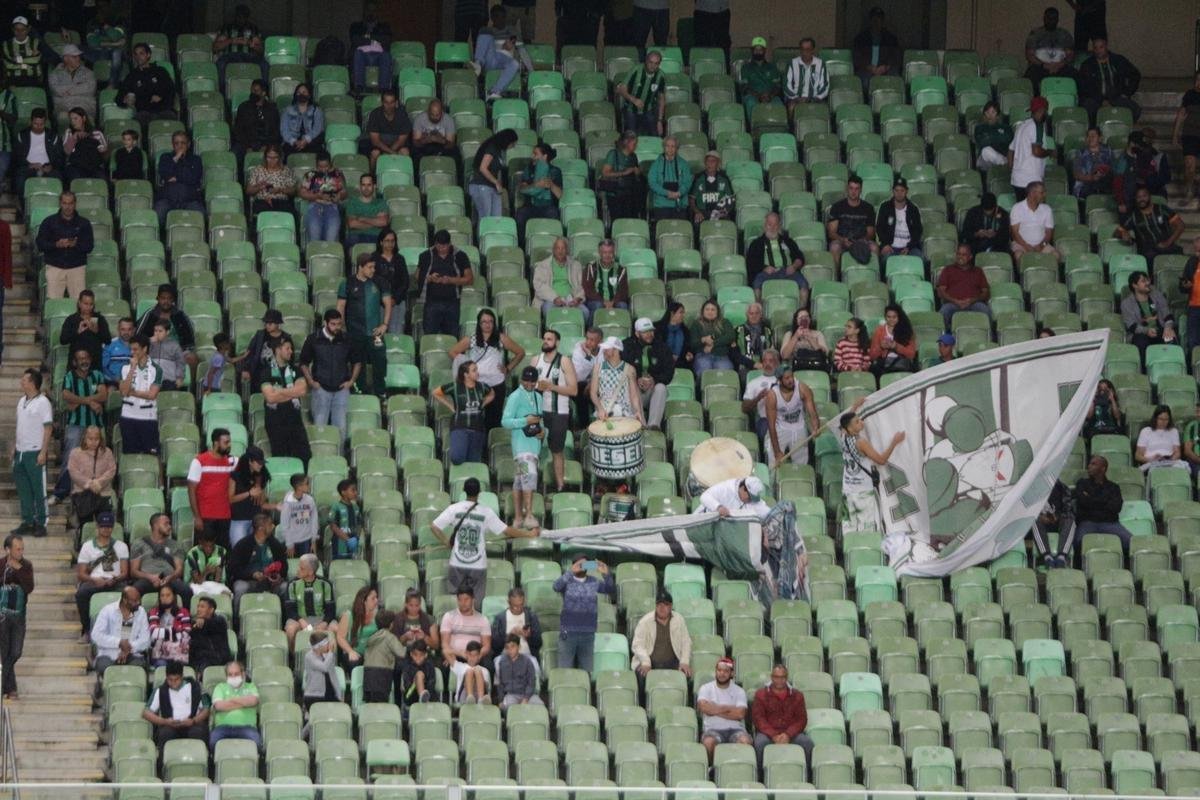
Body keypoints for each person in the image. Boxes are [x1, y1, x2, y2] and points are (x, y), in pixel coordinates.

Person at [432, 477, 537, 598]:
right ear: (479, 492)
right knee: (475, 602)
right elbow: (507, 532)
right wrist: (528, 534)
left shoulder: (454, 509)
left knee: (454, 600)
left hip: (457, 563)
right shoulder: (486, 512)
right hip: (477, 565)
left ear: (464, 490)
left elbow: (434, 526)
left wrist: (446, 542)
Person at [449, 308, 526, 431]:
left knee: (494, 420)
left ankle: (491, 445)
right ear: (479, 324)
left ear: (494, 323)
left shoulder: (501, 338)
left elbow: (520, 352)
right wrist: (467, 368)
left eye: (490, 321)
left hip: (496, 384)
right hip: (477, 384)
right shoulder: (472, 339)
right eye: (484, 321)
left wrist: (508, 368)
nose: (487, 324)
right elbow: (453, 351)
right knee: (476, 418)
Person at [839, 402, 905, 535]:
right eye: (857, 422)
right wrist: (894, 442)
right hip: (863, 492)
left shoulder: (843, 436)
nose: (861, 422)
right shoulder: (861, 442)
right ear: (851, 429)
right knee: (867, 529)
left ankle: (850, 553)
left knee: (849, 528)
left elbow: (845, 423)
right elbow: (881, 460)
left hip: (847, 491)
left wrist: (854, 407)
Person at [54, 346, 108, 504]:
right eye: (80, 358)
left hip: (95, 425)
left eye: (86, 358)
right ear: (74, 361)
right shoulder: (70, 376)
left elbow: (104, 395)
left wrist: (79, 401)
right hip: (76, 424)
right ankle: (61, 492)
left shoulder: (97, 375)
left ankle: (92, 493)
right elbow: (66, 395)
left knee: (97, 459)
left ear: (90, 360)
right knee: (70, 457)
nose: (84, 361)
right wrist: (91, 402)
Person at [300, 309, 359, 449]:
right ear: (325, 323)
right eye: (333, 324)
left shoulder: (346, 339)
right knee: (320, 428)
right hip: (321, 389)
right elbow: (303, 363)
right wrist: (311, 382)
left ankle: (339, 460)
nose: (337, 327)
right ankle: (319, 460)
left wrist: (351, 381)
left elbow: (357, 362)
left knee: (341, 430)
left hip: (341, 390)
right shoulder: (313, 339)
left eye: (339, 324)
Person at [337, 252, 391, 398]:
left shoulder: (380, 282)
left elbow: (387, 303)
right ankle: (360, 392)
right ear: (360, 267)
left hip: (375, 333)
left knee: (380, 361)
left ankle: (380, 393)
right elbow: (341, 306)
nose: (373, 270)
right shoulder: (347, 283)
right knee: (357, 363)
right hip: (355, 332)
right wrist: (340, 327)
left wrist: (385, 324)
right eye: (370, 267)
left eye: (374, 267)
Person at [532, 329, 579, 492]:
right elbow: (526, 385)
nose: (545, 341)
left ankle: (560, 485)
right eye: (544, 338)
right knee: (532, 447)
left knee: (557, 449)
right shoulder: (535, 360)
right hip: (537, 411)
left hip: (559, 411)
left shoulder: (564, 361)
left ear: (557, 343)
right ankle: (534, 483)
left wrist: (551, 387)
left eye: (549, 339)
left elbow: (574, 390)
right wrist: (537, 386)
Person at [553, 555, 614, 671]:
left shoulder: (594, 581)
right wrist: (570, 572)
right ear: (573, 565)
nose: (582, 567)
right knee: (564, 670)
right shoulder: (567, 580)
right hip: (568, 632)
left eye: (585, 564)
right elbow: (556, 587)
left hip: (588, 633)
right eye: (579, 564)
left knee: (586, 672)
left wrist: (606, 574)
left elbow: (610, 590)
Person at [503, 367, 545, 528]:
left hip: (534, 446)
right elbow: (505, 421)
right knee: (529, 475)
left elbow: (540, 421)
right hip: (521, 445)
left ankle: (518, 518)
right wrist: (524, 421)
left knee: (520, 481)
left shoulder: (538, 397)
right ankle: (528, 515)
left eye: (532, 382)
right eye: (526, 381)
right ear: (521, 380)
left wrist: (543, 432)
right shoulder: (515, 396)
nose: (529, 384)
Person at [261, 337, 312, 466]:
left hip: (295, 421)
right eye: (287, 348)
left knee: (304, 457)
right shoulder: (266, 372)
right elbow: (270, 398)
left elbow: (301, 391)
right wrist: (291, 392)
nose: (291, 351)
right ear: (278, 350)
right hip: (275, 423)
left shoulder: (296, 370)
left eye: (291, 349)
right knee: (281, 460)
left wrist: (279, 391)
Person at [12, 368, 51, 538]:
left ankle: (42, 522)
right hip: (20, 451)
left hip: (35, 451)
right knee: (24, 489)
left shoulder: (43, 402)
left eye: (25, 380)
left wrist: (44, 451)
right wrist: (15, 445)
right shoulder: (21, 401)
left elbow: (48, 427)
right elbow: (20, 425)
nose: (22, 382)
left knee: (38, 489)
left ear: (33, 383)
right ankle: (27, 520)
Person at [75, 511, 126, 638]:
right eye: (103, 526)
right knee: (81, 594)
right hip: (94, 581)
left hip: (115, 581)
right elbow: (81, 574)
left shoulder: (121, 546)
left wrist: (115, 579)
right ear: (97, 527)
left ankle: (125, 630)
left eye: (108, 526)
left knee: (131, 594)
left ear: (112, 527)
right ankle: (86, 630)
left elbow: (125, 572)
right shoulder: (87, 546)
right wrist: (95, 580)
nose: (106, 529)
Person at [415, 229, 475, 337]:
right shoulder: (425, 256)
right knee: (430, 336)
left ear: (450, 244)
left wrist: (450, 280)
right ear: (435, 244)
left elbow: (469, 279)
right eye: (438, 246)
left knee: (452, 337)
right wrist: (429, 278)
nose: (441, 249)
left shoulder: (460, 256)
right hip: (431, 302)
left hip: (452, 303)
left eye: (444, 246)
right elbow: (417, 276)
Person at [434, 361, 495, 466]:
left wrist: (483, 403)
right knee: (457, 457)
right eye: (474, 370)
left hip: (478, 428)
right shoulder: (455, 386)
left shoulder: (482, 386)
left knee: (474, 462)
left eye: (477, 369)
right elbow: (436, 393)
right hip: (460, 426)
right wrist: (450, 406)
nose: (477, 373)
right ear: (466, 374)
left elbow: (492, 393)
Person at [36, 190, 93, 301]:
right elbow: (40, 244)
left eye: (70, 203)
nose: (67, 207)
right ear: (60, 203)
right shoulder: (49, 222)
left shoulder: (84, 223)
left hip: (77, 267)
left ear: (75, 204)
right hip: (55, 266)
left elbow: (89, 246)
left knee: (79, 303)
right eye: (65, 203)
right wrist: (56, 244)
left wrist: (76, 244)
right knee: (54, 302)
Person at [752, 663, 814, 766]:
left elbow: (801, 719)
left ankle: (807, 775)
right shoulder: (761, 695)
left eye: (782, 677)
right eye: (776, 677)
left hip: (791, 733)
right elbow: (758, 719)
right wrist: (773, 735)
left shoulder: (797, 695)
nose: (779, 680)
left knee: (807, 743)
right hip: (767, 733)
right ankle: (761, 776)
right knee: (760, 743)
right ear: (772, 677)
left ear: (786, 677)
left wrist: (788, 734)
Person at [187, 429, 237, 550]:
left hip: (225, 516)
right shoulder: (199, 461)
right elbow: (191, 490)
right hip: (205, 516)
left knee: (222, 552)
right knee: (204, 551)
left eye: (229, 442)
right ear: (216, 443)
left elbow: (252, 465)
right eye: (226, 442)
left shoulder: (231, 461)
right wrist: (197, 517)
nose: (229, 445)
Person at [142, 660, 209, 749]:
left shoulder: (195, 687)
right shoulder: (160, 690)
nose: (173, 683)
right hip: (170, 726)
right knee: (165, 734)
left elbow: (206, 709)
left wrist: (194, 720)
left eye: (176, 679)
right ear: (166, 677)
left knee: (198, 733)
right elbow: (146, 713)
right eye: (170, 680)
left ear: (182, 677)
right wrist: (164, 721)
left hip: (192, 724)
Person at [623, 317, 674, 431]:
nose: (649, 334)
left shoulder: (662, 347)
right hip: (633, 392)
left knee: (661, 387)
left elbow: (669, 373)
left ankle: (653, 426)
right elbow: (620, 370)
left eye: (651, 331)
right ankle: (641, 425)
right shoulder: (626, 346)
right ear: (637, 333)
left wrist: (653, 380)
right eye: (645, 332)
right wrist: (636, 380)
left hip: (652, 391)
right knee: (633, 388)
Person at [698, 657, 753, 761]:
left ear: (731, 673)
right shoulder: (706, 688)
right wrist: (729, 709)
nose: (722, 674)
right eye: (719, 670)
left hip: (736, 729)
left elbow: (740, 714)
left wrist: (715, 708)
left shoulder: (739, 691)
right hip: (712, 729)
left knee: (745, 741)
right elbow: (704, 707)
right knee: (709, 743)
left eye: (725, 671)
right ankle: (712, 771)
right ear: (715, 671)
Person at [229, 512, 286, 611]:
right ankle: (237, 621)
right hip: (248, 580)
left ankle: (283, 620)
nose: (273, 526)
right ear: (261, 529)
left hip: (270, 581)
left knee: (285, 587)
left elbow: (284, 565)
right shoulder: (243, 544)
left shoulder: (275, 544)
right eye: (269, 524)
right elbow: (234, 568)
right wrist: (252, 574)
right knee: (240, 588)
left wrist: (278, 576)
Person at [1074, 456, 1133, 550]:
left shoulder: (1113, 487)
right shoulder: (1082, 483)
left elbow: (1116, 507)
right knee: (1079, 541)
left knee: (1131, 542)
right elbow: (1083, 502)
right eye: (1089, 463)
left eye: (1093, 464)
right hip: (1088, 522)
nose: (1089, 466)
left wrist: (1091, 499)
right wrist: (1105, 501)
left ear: (1103, 468)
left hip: (1110, 523)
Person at [766, 366, 820, 468]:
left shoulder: (803, 388)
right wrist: (777, 452)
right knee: (774, 464)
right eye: (787, 378)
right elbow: (771, 426)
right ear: (779, 380)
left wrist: (815, 427)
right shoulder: (772, 395)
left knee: (801, 465)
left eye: (791, 376)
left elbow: (812, 412)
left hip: (799, 428)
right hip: (780, 428)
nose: (791, 380)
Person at [631, 589, 693, 678]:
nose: (662, 608)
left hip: (672, 662)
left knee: (686, 673)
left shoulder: (679, 619)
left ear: (671, 606)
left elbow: (686, 642)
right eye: (659, 604)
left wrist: (684, 662)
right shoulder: (645, 622)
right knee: (641, 674)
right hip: (650, 662)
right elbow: (637, 645)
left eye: (665, 605)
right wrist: (646, 662)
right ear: (656, 606)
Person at [1077, 36, 1139, 124]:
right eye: (1095, 48)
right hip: (1095, 99)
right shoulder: (1087, 65)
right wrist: (1101, 100)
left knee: (1134, 109)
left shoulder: (1118, 60)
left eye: (1101, 47)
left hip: (1116, 97)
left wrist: (1127, 92)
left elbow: (1135, 74)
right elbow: (1084, 86)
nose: (1098, 50)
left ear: (1106, 47)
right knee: (1087, 107)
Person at [1120, 270, 1177, 363]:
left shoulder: (1157, 295)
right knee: (1141, 342)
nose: (1147, 283)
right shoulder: (1126, 304)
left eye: (1147, 280)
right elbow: (1131, 326)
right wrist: (1146, 331)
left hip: (1160, 330)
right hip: (1141, 334)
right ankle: (1144, 372)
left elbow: (1168, 314)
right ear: (1134, 285)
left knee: (1171, 337)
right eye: (1143, 281)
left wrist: (1168, 327)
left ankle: (1172, 368)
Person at [746, 211, 808, 297]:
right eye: (769, 224)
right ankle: (759, 309)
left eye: (775, 225)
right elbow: (751, 262)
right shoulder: (756, 243)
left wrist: (794, 266)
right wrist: (764, 268)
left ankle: (802, 310)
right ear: (764, 226)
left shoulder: (788, 241)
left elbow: (799, 258)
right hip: (767, 274)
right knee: (757, 285)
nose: (772, 228)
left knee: (803, 285)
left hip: (788, 272)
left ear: (779, 226)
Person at [91, 586, 150, 676]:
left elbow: (146, 640)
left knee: (138, 669)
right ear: (125, 600)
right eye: (135, 601)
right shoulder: (108, 610)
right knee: (108, 670)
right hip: (108, 655)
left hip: (132, 654)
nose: (138, 603)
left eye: (139, 600)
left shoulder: (141, 612)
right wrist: (119, 642)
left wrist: (128, 648)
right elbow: (96, 635)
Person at [118, 335, 162, 455]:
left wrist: (132, 392)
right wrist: (132, 368)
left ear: (145, 349)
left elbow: (152, 394)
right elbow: (123, 392)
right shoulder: (125, 368)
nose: (133, 352)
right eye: (131, 349)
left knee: (152, 454)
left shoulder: (156, 369)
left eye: (136, 349)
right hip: (128, 416)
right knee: (130, 454)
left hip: (147, 417)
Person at [130, 513, 188, 602]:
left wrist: (171, 577)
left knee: (186, 590)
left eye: (170, 524)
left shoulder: (176, 545)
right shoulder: (139, 544)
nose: (169, 527)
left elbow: (179, 569)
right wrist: (151, 577)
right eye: (166, 524)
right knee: (134, 591)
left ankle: (185, 615)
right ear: (155, 525)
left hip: (169, 579)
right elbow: (134, 571)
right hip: (147, 579)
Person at [1115, 186, 1184, 259]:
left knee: (1179, 254)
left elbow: (1180, 225)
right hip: (1148, 252)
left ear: (1149, 197)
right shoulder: (1134, 216)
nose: (1141, 199)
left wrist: (1167, 243)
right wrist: (1123, 233)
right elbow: (1118, 231)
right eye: (1138, 197)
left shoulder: (1162, 209)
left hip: (1167, 247)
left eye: (1144, 196)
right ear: (1135, 199)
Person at [67, 425, 116, 527]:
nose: (93, 442)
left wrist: (99, 482)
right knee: (85, 526)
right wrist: (89, 483)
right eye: (90, 439)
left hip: (103, 494)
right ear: (85, 438)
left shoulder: (107, 452)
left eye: (96, 439)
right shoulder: (75, 453)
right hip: (82, 494)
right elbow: (73, 471)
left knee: (104, 525)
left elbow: (111, 470)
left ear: (100, 439)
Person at [117, 42, 176, 127]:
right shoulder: (132, 76)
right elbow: (119, 96)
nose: (138, 57)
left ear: (148, 55)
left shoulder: (160, 71)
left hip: (163, 110)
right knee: (135, 124)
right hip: (144, 113)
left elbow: (171, 90)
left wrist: (161, 98)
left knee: (171, 120)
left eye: (141, 53)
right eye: (136, 54)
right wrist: (124, 100)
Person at [0, 534, 30, 699]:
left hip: (19, 615)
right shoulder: (0, 564)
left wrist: (18, 571)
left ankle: (3, 683)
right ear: (8, 549)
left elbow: (29, 587)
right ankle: (11, 689)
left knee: (16, 651)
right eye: (17, 549)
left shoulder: (26, 566)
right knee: (4, 651)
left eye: (22, 549)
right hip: (2, 613)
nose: (20, 552)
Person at [936, 244, 991, 331]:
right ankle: (946, 339)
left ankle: (989, 338)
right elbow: (941, 291)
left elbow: (985, 292)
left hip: (974, 303)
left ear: (970, 257)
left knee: (985, 310)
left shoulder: (978, 271)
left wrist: (971, 300)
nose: (960, 257)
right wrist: (956, 301)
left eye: (964, 254)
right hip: (953, 303)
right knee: (943, 312)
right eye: (958, 254)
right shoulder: (948, 270)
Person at [826, 175, 878, 268]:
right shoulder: (837, 207)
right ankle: (837, 278)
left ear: (861, 190)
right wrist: (843, 240)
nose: (853, 192)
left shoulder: (868, 208)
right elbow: (831, 232)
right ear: (847, 189)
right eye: (851, 188)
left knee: (874, 247)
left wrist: (862, 240)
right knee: (834, 247)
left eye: (856, 189)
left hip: (861, 242)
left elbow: (871, 233)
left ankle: (872, 278)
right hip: (842, 241)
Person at [209, 661, 262, 750]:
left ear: (243, 674)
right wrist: (244, 703)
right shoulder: (220, 687)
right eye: (230, 674)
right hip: (223, 727)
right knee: (213, 742)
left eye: (236, 674)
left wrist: (232, 700)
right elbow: (219, 706)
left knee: (256, 743)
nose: (233, 677)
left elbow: (253, 701)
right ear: (226, 676)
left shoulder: (251, 686)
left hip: (247, 727)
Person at [592, 335, 644, 425]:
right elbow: (593, 393)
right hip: (604, 412)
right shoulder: (598, 367)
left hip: (624, 413)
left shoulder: (630, 369)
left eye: (607, 349)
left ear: (616, 350)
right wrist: (599, 409)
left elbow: (634, 395)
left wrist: (637, 411)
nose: (604, 351)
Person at [440, 589, 493, 677]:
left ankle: (485, 690)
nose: (463, 603)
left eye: (466, 599)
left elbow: (487, 646)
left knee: (489, 666)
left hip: (476, 655)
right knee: (444, 667)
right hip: (456, 654)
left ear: (473, 600)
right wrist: (457, 653)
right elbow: (445, 644)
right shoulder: (448, 616)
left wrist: (476, 656)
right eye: (460, 600)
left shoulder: (483, 619)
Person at [213, 4, 266, 90]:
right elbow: (216, 47)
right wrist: (231, 41)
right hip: (231, 56)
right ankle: (222, 91)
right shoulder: (227, 28)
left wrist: (250, 43)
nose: (240, 19)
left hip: (249, 56)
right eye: (239, 16)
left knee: (264, 64)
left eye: (243, 17)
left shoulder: (253, 29)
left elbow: (260, 50)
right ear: (235, 16)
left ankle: (264, 91)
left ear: (247, 17)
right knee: (220, 63)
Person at [469, 129, 518, 222]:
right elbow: (483, 168)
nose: (512, 146)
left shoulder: (499, 151)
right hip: (481, 185)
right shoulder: (491, 147)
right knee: (485, 219)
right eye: (512, 144)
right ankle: (482, 236)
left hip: (492, 187)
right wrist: (496, 182)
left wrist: (497, 184)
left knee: (496, 219)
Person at [227, 446, 271, 548]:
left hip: (256, 520)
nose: (261, 465)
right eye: (258, 462)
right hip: (239, 519)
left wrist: (261, 492)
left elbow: (261, 501)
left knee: (256, 551)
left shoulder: (261, 476)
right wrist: (249, 493)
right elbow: (230, 499)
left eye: (262, 463)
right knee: (239, 549)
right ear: (250, 461)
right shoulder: (235, 476)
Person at [14, 108, 65, 196]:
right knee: (20, 179)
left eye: (41, 124)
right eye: (35, 124)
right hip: (28, 167)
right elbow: (17, 156)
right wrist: (29, 165)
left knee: (58, 179)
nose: (38, 127)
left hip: (48, 167)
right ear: (31, 122)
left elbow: (60, 157)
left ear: (45, 123)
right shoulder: (22, 135)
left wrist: (51, 166)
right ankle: (24, 207)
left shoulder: (53, 136)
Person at [1008, 98, 1052, 200]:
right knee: (1036, 212)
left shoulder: (1022, 126)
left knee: (1022, 212)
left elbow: (1010, 150)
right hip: (1031, 180)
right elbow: (1036, 151)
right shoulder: (1037, 126)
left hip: (1017, 179)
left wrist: (1013, 171)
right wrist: (1050, 152)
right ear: (1043, 110)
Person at [515, 142, 562, 235]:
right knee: (520, 214)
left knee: (553, 214)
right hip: (530, 207)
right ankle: (522, 246)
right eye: (533, 153)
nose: (532, 156)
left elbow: (560, 195)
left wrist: (551, 184)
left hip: (548, 207)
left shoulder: (555, 171)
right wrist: (536, 185)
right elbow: (522, 189)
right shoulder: (528, 169)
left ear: (545, 157)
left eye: (535, 154)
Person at [1024, 6, 1075, 91]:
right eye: (1049, 18)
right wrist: (1044, 65)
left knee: (1075, 75)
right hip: (1040, 67)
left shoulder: (1065, 34)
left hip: (1060, 66)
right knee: (1029, 77)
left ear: (1057, 19)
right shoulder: (1035, 34)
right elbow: (1030, 55)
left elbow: (1070, 55)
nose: (1051, 20)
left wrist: (1059, 65)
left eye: (1054, 18)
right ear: (1044, 18)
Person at [616, 51, 666, 136]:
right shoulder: (636, 70)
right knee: (631, 138)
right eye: (651, 62)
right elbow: (621, 89)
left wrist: (660, 121)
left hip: (648, 110)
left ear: (659, 64)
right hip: (631, 110)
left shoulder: (661, 76)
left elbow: (661, 99)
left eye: (656, 63)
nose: (653, 66)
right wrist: (633, 99)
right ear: (646, 61)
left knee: (655, 136)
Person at [360, 90, 411, 173]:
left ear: (396, 103)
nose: (389, 106)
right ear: (382, 102)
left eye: (391, 102)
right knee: (375, 153)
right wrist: (390, 153)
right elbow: (375, 141)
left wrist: (388, 153)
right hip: (380, 147)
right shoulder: (375, 114)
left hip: (396, 147)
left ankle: (403, 176)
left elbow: (401, 141)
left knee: (405, 152)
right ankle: (373, 177)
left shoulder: (402, 115)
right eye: (386, 102)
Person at [299, 151, 345, 243]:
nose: (323, 169)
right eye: (320, 167)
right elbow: (302, 193)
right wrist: (317, 196)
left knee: (331, 238)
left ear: (330, 164)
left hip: (332, 206)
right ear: (316, 165)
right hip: (315, 205)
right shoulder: (310, 175)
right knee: (314, 239)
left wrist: (338, 196)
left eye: (326, 166)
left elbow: (344, 191)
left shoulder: (337, 174)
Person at [533, 237, 586, 316]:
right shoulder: (542, 266)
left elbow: (582, 285)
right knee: (549, 311)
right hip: (550, 300)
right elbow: (538, 286)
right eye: (558, 248)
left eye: (563, 248)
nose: (560, 251)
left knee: (585, 312)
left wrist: (577, 299)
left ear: (567, 250)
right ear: (553, 250)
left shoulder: (576, 265)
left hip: (571, 300)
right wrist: (554, 298)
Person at [1030, 479, 1077, 568]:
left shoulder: (1062, 487)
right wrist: (1039, 515)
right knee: (1034, 521)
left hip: (1057, 520)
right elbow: (1027, 508)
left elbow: (1068, 508)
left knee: (1070, 521)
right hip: (1041, 521)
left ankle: (1061, 557)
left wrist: (1057, 517)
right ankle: (1047, 556)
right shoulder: (1032, 487)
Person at [363, 609, 407, 703]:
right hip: (382, 674)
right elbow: (402, 653)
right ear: (391, 624)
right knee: (380, 705)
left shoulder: (372, 637)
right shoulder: (389, 637)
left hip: (368, 674)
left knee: (370, 704)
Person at [876, 178, 923, 263]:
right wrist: (885, 245)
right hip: (891, 247)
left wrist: (909, 247)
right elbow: (879, 228)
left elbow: (918, 231)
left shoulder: (913, 209)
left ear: (906, 191)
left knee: (920, 259)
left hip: (909, 248)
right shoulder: (885, 207)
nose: (899, 193)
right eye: (896, 190)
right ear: (893, 191)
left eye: (902, 190)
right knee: (886, 260)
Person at [600, 131, 644, 221]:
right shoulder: (613, 154)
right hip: (615, 194)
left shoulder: (633, 156)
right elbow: (605, 173)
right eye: (634, 144)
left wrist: (637, 172)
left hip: (630, 193)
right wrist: (624, 172)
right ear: (626, 142)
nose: (635, 146)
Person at [48, 47, 97, 130]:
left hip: (85, 107)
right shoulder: (55, 74)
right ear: (66, 58)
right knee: (63, 117)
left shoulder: (89, 73)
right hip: (64, 107)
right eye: (74, 57)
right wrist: (78, 87)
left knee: (84, 117)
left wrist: (69, 91)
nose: (78, 59)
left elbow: (90, 88)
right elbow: (56, 90)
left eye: (78, 56)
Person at [852, 7, 901, 88]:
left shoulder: (891, 38)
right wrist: (869, 67)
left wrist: (885, 67)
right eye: (874, 19)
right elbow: (857, 58)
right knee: (864, 81)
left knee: (894, 78)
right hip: (866, 70)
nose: (876, 22)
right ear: (870, 20)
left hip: (886, 70)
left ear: (883, 21)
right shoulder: (861, 38)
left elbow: (896, 58)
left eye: (879, 19)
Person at [490, 586, 544, 661]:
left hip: (527, 656)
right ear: (509, 602)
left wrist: (528, 636)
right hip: (505, 656)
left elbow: (538, 643)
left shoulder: (531, 617)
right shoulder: (500, 618)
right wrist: (509, 636)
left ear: (524, 601)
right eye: (515, 606)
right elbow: (494, 645)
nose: (518, 609)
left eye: (521, 605)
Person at [583, 239, 631, 322]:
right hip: (596, 301)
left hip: (615, 301)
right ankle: (591, 331)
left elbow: (623, 291)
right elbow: (588, 290)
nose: (607, 255)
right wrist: (604, 302)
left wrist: (613, 302)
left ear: (614, 253)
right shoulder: (591, 267)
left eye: (610, 252)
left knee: (622, 306)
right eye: (604, 252)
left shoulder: (621, 269)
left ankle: (622, 331)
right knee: (598, 305)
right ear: (599, 253)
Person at [232, 80, 281, 161]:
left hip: (267, 144)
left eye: (256, 91)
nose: (252, 93)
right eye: (252, 90)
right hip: (246, 144)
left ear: (264, 93)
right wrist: (248, 146)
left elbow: (276, 132)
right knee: (235, 153)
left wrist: (266, 146)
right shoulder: (243, 107)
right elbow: (238, 130)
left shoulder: (272, 109)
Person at [648, 136, 692, 224]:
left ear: (677, 148)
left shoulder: (684, 164)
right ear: (664, 147)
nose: (670, 149)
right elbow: (652, 183)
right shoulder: (656, 164)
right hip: (661, 205)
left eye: (673, 146)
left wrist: (679, 193)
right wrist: (667, 193)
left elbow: (687, 182)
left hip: (680, 204)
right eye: (667, 146)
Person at [373, 229, 410, 334]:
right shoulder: (374, 258)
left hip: (397, 302)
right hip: (378, 303)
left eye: (392, 241)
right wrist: (383, 299)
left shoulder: (400, 259)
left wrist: (395, 299)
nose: (390, 243)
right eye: (387, 241)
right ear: (381, 242)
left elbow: (405, 282)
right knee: (378, 334)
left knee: (396, 332)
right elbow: (372, 280)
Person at [1009, 181, 1057, 260]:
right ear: (1032, 193)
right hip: (1021, 245)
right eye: (1042, 192)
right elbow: (1014, 233)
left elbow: (1049, 232)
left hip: (1042, 245)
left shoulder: (1047, 209)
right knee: (1018, 255)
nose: (1044, 195)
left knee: (1056, 255)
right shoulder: (1017, 208)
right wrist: (1027, 246)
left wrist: (1042, 245)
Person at [742, 349, 782, 443]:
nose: (767, 364)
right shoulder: (754, 383)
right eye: (764, 361)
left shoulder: (785, 380)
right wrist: (758, 398)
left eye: (771, 361)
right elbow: (744, 408)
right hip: (765, 420)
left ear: (777, 363)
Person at [245, 143, 296, 217]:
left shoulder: (286, 170)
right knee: (264, 211)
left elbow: (293, 191)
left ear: (280, 157)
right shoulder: (258, 170)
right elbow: (248, 191)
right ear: (265, 157)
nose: (272, 160)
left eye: (275, 157)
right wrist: (260, 187)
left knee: (289, 213)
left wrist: (280, 190)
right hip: (262, 201)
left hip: (281, 201)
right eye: (269, 157)